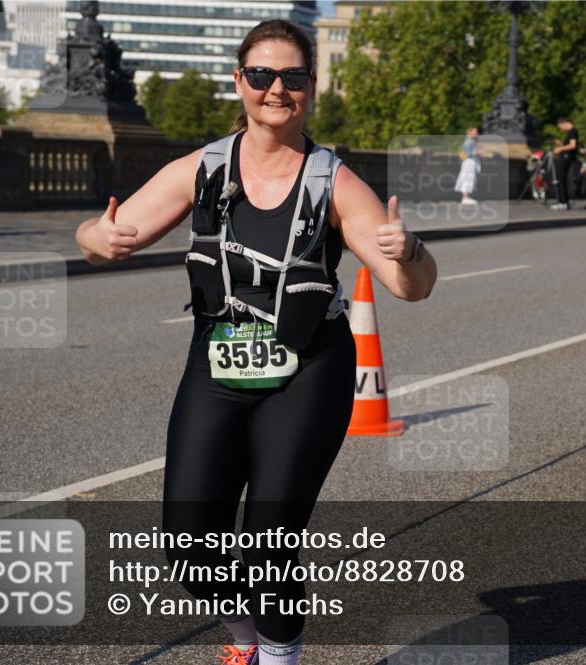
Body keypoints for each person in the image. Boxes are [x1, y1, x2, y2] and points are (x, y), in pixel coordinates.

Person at [74, 19, 437, 665]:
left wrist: (410, 251)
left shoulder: (335, 182)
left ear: (312, 88)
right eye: (263, 75)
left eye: (293, 77)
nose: (277, 89)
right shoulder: (204, 168)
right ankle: (247, 638)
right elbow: (105, 234)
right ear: (240, 81)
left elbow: (412, 287)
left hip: (310, 370)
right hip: (216, 364)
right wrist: (93, 238)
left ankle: (280, 653)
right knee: (188, 545)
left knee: (270, 542)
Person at [551, 117, 578, 210]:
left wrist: (560, 149)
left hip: (566, 158)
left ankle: (563, 202)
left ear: (564, 123)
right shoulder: (571, 132)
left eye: (560, 127)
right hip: (566, 158)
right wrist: (561, 143)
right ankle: (564, 202)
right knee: (561, 179)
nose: (561, 129)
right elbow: (570, 144)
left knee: (560, 179)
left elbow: (573, 145)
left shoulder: (572, 131)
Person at [454, 126, 481, 205]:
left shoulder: (470, 141)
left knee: (468, 178)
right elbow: (467, 154)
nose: (477, 134)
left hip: (469, 162)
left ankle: (466, 197)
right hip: (469, 162)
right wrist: (479, 152)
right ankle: (465, 198)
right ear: (470, 133)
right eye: (475, 132)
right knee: (468, 178)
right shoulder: (469, 141)